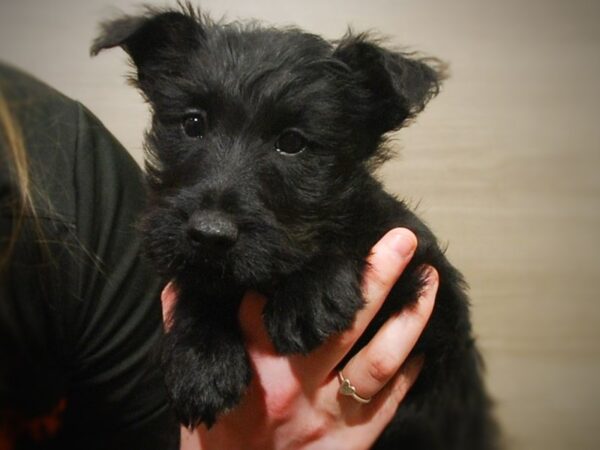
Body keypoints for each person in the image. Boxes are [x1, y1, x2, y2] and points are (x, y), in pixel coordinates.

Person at [0, 62, 437, 450]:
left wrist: (338, 262)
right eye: (194, 125)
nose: (212, 217)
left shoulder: (68, 176)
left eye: (290, 142)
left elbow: (437, 325)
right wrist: (204, 320)